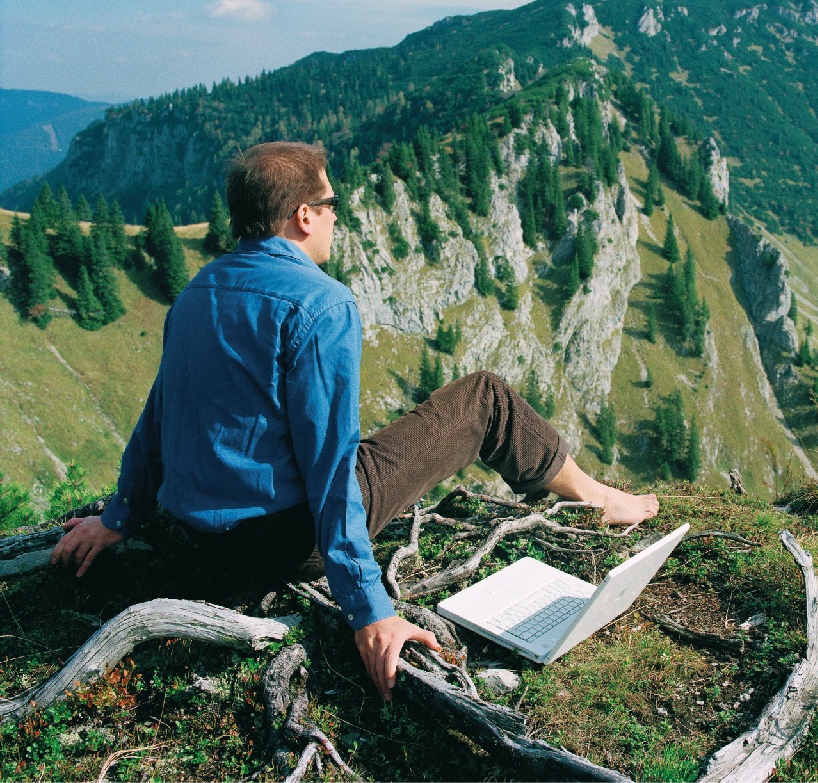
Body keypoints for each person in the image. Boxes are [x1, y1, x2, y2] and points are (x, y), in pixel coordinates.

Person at [51, 140, 658, 702]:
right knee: (483, 399)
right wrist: (370, 610)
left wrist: (118, 518)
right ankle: (598, 497)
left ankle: (592, 492)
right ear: (302, 216)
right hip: (288, 541)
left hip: (203, 539)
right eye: (330, 203)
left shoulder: (197, 292)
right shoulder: (321, 303)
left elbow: (157, 417)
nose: (337, 216)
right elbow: (331, 468)